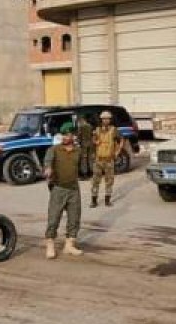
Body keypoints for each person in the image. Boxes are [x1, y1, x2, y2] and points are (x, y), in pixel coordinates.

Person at [43, 122, 84, 259]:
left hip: (73, 189)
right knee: (54, 218)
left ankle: (69, 245)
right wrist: (48, 169)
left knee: (74, 217)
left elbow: (83, 168)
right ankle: (50, 245)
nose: (65, 137)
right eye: (63, 134)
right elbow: (48, 161)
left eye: (68, 134)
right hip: (59, 188)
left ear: (73, 135)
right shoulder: (54, 149)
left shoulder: (78, 151)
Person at [91, 110, 125, 208]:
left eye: (108, 119)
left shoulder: (114, 130)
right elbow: (92, 141)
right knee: (95, 181)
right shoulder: (97, 130)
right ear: (101, 120)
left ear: (110, 120)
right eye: (104, 119)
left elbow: (122, 139)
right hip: (99, 159)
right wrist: (95, 141)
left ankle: (107, 200)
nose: (106, 120)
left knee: (109, 181)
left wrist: (118, 152)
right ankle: (94, 200)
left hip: (109, 159)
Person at [77, 114, 95, 178]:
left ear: (82, 120)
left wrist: (78, 142)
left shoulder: (81, 126)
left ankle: (85, 174)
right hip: (90, 143)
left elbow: (79, 135)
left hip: (84, 144)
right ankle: (92, 172)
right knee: (90, 158)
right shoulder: (90, 126)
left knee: (84, 159)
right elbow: (92, 134)